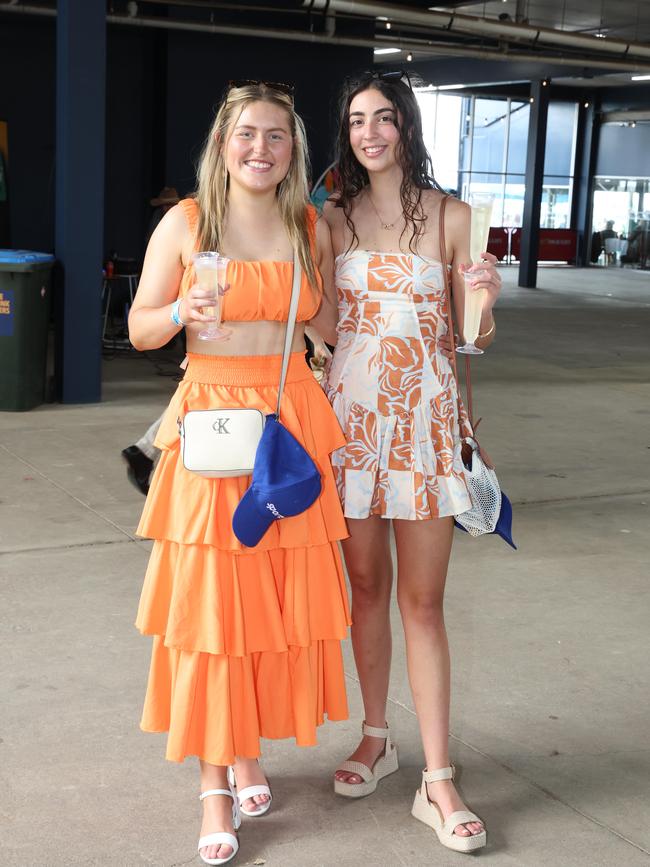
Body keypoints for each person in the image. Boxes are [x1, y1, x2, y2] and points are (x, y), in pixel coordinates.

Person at [128, 82, 350, 866]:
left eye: (278, 137)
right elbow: (141, 328)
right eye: (248, 135)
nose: (262, 150)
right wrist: (184, 312)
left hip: (290, 418)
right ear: (223, 143)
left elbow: (326, 324)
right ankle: (216, 782)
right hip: (216, 426)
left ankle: (248, 747)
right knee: (216, 610)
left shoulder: (307, 222)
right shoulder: (188, 221)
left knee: (272, 607)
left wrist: (326, 300)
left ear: (295, 151)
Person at [321, 71, 502, 854]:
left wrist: (487, 299)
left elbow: (473, 337)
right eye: (357, 119)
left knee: (421, 603)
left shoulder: (455, 215)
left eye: (384, 117)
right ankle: (374, 736)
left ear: (407, 126)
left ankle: (437, 777)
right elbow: (324, 328)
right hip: (353, 428)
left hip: (425, 428)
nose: (370, 132)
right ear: (347, 132)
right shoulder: (332, 220)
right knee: (366, 588)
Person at [121, 187, 181, 495]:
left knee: (187, 403)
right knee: (190, 404)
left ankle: (144, 450)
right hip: (182, 308)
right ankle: (144, 450)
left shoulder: (163, 221)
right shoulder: (175, 223)